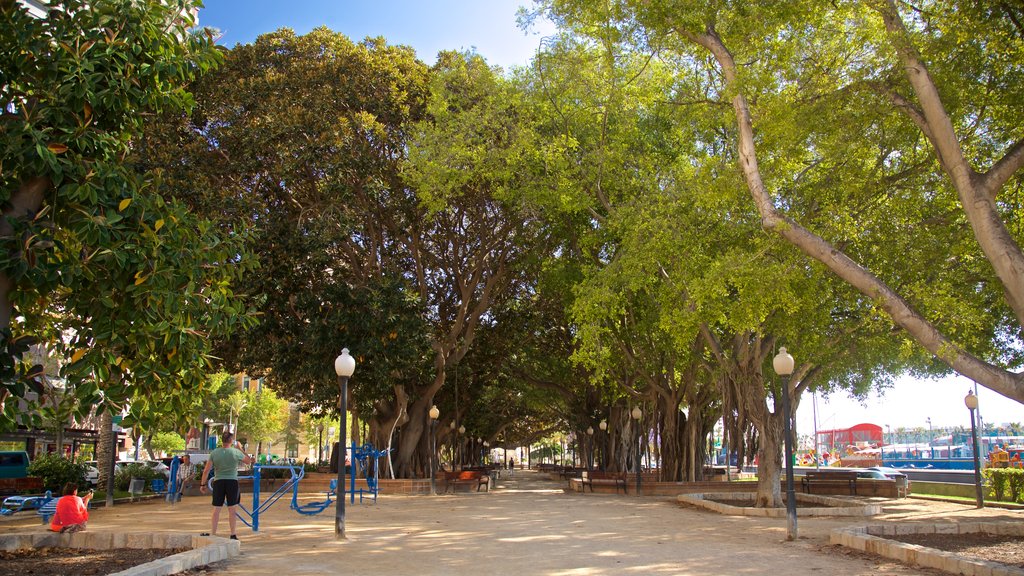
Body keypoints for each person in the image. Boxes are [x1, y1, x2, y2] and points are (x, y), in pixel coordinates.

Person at [199, 431, 254, 540]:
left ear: (222, 440)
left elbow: (206, 470)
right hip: (232, 481)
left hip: (218, 481)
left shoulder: (214, 453)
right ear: (231, 441)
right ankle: (233, 534)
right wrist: (240, 448)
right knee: (232, 509)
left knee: (216, 509)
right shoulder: (235, 452)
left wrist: (202, 484)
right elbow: (249, 461)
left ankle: (213, 533)